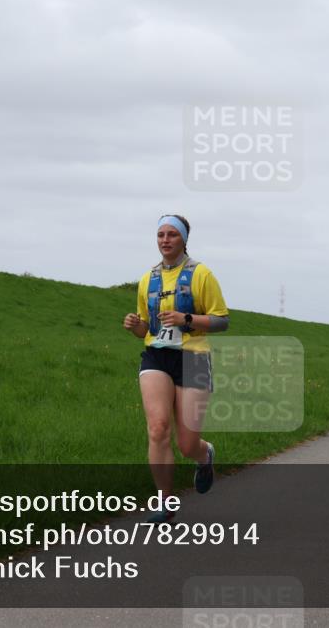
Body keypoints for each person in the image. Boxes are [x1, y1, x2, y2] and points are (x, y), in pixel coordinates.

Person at [123, 215, 229, 522]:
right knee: (157, 428)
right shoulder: (148, 279)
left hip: (193, 358)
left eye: (172, 234)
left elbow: (222, 320)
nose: (165, 240)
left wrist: (187, 319)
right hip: (156, 357)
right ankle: (165, 502)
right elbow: (146, 329)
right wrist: (135, 325)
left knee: (187, 444)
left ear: (184, 239)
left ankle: (204, 455)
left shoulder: (201, 274)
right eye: (161, 235)